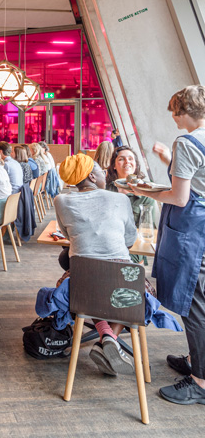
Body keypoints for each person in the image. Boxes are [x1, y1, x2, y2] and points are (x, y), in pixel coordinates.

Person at [129, 85, 205, 404]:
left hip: (191, 227)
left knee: (194, 303)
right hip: (200, 224)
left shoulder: (186, 141)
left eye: (174, 111)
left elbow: (179, 196)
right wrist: (167, 160)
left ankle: (200, 381)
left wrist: (142, 191)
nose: (172, 118)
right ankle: (195, 360)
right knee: (199, 297)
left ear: (183, 111)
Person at [55, 153, 138, 376]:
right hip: (124, 285)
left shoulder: (61, 200)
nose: (104, 173)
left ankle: (105, 336)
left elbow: (67, 234)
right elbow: (130, 239)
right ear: (92, 176)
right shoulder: (120, 199)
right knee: (126, 280)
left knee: (87, 276)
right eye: (100, 171)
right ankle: (109, 339)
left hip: (83, 287)